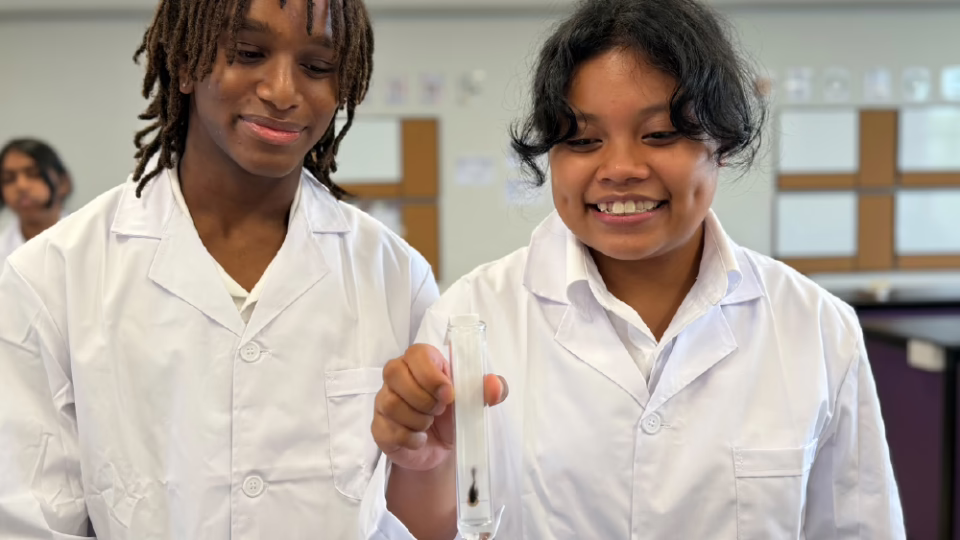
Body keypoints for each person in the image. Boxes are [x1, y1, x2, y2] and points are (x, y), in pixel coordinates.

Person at [362, 0, 906, 538]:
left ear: (721, 145)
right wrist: (423, 467)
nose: (620, 169)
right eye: (582, 140)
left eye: (661, 134)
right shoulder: (470, 319)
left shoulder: (816, 328)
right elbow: (425, 529)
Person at [0, 0, 437, 538]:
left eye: (317, 67)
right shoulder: (52, 277)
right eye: (248, 53)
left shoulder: (396, 277)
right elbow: (31, 520)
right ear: (186, 64)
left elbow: (422, 510)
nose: (282, 91)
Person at [0, 138, 72, 261]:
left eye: (34, 174)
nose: (21, 186)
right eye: (9, 178)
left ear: (63, 182)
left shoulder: (93, 239)